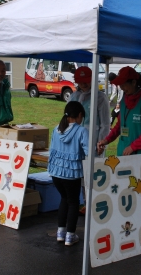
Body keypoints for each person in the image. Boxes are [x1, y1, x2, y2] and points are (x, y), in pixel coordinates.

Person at [68, 66, 110, 214]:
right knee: (79, 174)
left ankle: (95, 203)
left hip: (94, 141)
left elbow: (105, 123)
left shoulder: (100, 97)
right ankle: (85, 202)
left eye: (86, 81)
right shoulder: (74, 96)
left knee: (93, 174)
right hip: (76, 142)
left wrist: (101, 142)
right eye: (81, 81)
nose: (84, 84)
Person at [47, 101, 89, 246]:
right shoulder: (81, 131)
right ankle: (70, 235)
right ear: (79, 115)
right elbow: (89, 152)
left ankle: (61, 232)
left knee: (64, 199)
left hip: (55, 173)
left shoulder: (56, 130)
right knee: (73, 202)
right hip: (72, 174)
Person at [97, 66, 141, 156]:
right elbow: (120, 125)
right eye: (120, 85)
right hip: (124, 150)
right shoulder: (124, 100)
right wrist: (106, 140)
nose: (121, 88)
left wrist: (133, 147)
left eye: (123, 84)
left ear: (133, 82)